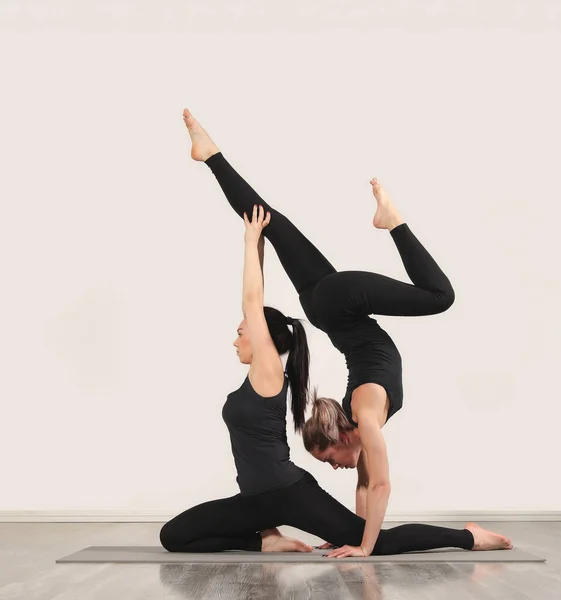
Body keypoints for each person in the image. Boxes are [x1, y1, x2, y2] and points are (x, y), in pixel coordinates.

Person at [159, 108, 513, 558]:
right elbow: (371, 485)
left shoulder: (359, 413)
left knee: (439, 296)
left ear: (341, 436)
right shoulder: (361, 418)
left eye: (329, 459)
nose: (337, 466)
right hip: (329, 308)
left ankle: (393, 222)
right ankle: (211, 156)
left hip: (340, 308)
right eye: (330, 461)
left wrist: (364, 547)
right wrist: (358, 540)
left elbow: (377, 484)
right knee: (275, 222)